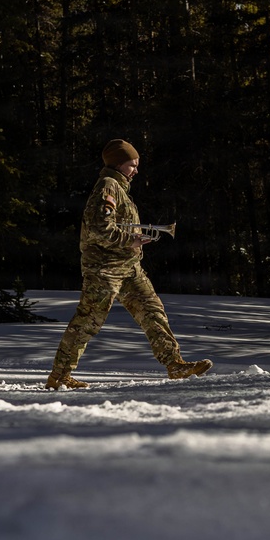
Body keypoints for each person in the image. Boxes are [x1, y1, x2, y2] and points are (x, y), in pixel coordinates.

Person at [46, 139, 213, 389]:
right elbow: (98, 228)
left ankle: (175, 365)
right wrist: (131, 239)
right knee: (89, 320)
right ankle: (59, 376)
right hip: (105, 269)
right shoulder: (108, 186)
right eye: (132, 165)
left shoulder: (120, 187)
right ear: (118, 164)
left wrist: (133, 241)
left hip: (128, 267)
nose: (136, 170)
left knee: (152, 311)